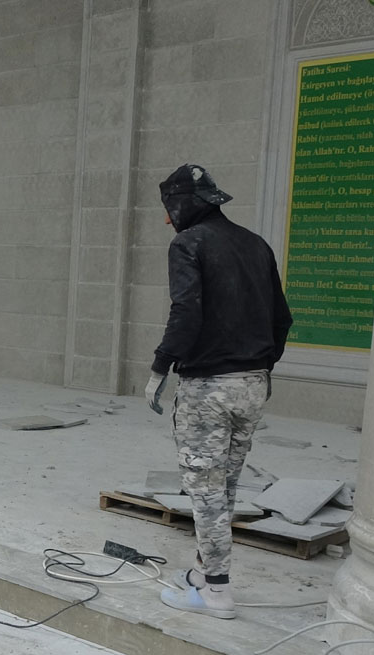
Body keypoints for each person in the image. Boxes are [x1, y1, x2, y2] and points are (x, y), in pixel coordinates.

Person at [145, 164, 293, 620]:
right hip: (253, 385)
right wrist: (257, 367)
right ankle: (204, 570)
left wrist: (160, 364)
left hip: (210, 388)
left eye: (170, 209)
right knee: (224, 486)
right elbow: (281, 320)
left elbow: (185, 311)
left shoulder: (188, 243)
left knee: (205, 492)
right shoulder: (256, 244)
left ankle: (216, 592)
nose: (168, 220)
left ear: (183, 204)